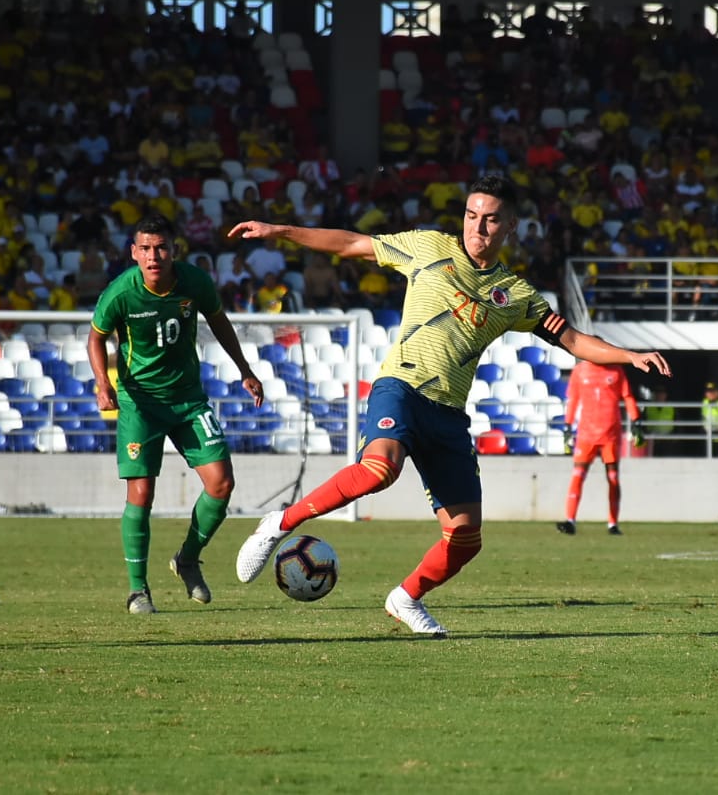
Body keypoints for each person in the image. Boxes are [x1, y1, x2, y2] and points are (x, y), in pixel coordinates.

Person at [229, 175, 671, 636]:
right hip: (400, 386)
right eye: (471, 215)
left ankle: (405, 598)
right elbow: (350, 243)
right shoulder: (427, 247)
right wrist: (281, 231)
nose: (477, 227)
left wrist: (630, 356)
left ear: (511, 226)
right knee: (380, 469)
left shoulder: (515, 295)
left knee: (465, 537)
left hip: (448, 413)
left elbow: (574, 340)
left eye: (490, 219)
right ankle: (278, 523)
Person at [88, 213, 264, 615]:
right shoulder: (120, 293)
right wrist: (103, 383)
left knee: (221, 484)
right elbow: (95, 339)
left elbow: (219, 321)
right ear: (134, 253)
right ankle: (138, 589)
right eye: (146, 249)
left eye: (161, 247)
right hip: (141, 404)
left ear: (174, 250)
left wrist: (245, 371)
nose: (154, 256)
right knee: (142, 493)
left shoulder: (195, 282)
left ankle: (187, 558)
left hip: (188, 400)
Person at [556, 361, 643, 537]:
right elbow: (573, 399)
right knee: (578, 475)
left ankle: (613, 523)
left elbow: (627, 395)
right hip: (586, 433)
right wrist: (567, 425)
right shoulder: (580, 371)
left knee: (613, 478)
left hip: (610, 433)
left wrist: (635, 420)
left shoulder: (616, 370)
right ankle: (570, 520)